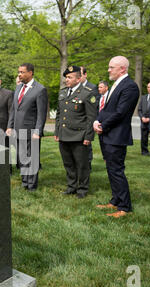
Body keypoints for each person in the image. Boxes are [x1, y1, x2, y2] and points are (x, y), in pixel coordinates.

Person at [93, 56, 140, 218]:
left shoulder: (130, 87)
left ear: (122, 69)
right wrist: (98, 120)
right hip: (108, 133)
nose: (108, 70)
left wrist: (103, 126)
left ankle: (125, 207)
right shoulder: (116, 84)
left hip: (117, 135)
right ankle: (115, 200)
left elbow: (120, 113)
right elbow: (107, 108)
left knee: (117, 170)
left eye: (111, 67)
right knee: (111, 169)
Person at [55, 66, 97, 199]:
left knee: (82, 165)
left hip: (79, 136)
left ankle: (82, 189)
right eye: (66, 77)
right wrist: (57, 132)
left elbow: (91, 117)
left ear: (79, 79)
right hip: (64, 135)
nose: (66, 80)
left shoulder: (87, 93)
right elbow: (59, 114)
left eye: (69, 77)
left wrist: (88, 136)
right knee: (68, 163)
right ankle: (71, 186)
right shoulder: (62, 93)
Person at [6, 63, 48, 191]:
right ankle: (25, 181)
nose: (19, 74)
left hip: (31, 130)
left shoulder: (40, 89)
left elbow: (41, 114)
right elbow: (14, 109)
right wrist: (10, 126)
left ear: (30, 73)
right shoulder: (18, 88)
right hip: (18, 130)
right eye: (18, 72)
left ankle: (32, 185)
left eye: (22, 72)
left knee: (32, 157)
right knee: (22, 157)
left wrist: (38, 131)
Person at [80, 66, 99, 171]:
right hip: (76, 122)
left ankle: (87, 166)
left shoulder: (92, 88)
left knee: (86, 145)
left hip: (87, 121)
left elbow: (93, 107)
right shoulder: (73, 87)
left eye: (80, 74)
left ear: (85, 75)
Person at [138, 82, 150, 156]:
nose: (149, 89)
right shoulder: (143, 97)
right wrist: (142, 117)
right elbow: (139, 110)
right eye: (148, 87)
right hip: (143, 122)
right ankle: (144, 151)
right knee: (143, 138)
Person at [97, 81, 109, 160]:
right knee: (101, 141)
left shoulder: (111, 97)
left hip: (108, 122)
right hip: (99, 122)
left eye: (101, 87)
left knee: (108, 141)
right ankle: (105, 157)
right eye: (98, 87)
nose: (99, 89)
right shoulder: (99, 97)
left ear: (106, 87)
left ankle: (109, 157)